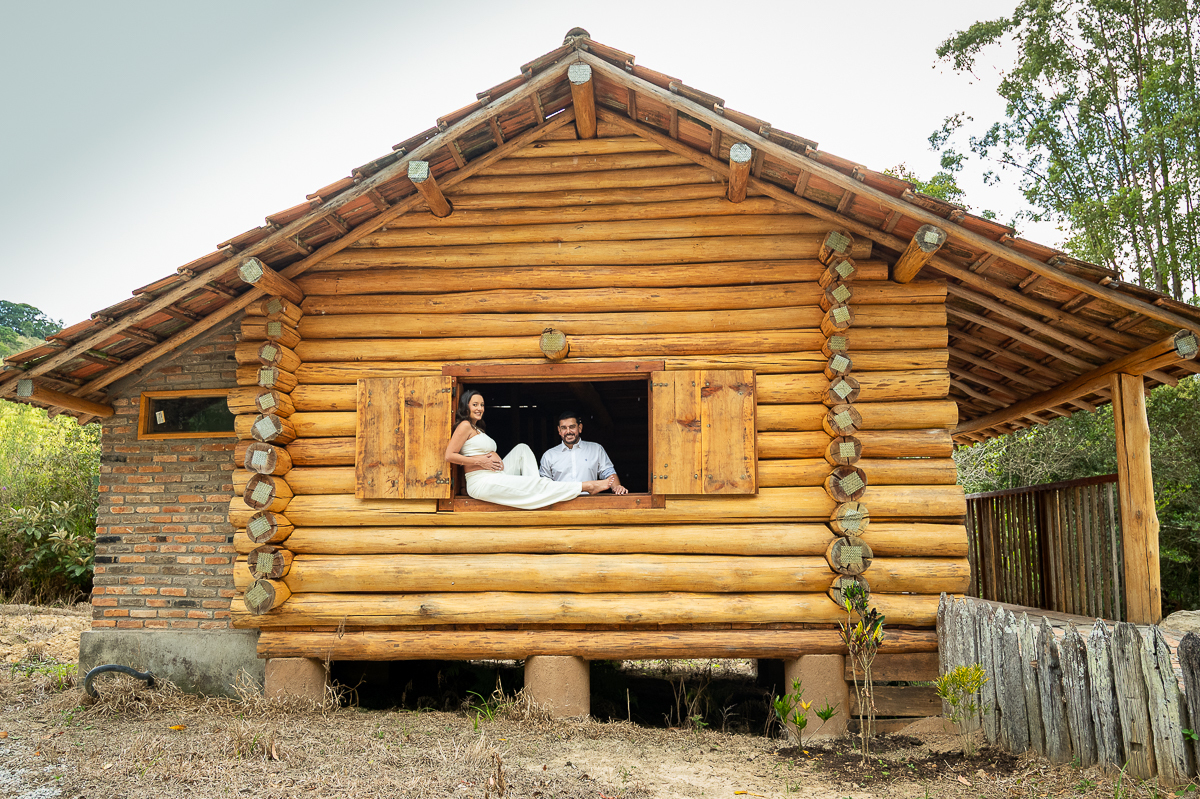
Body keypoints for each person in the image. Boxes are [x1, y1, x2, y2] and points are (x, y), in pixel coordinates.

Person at [444, 390, 615, 510]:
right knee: (537, 483)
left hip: (495, 474)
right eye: (475, 404)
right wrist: (480, 461)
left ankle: (537, 488)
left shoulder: (478, 428)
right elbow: (449, 455)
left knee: (522, 449)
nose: (480, 408)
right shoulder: (464, 425)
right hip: (482, 480)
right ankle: (586, 486)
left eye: (482, 405)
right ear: (466, 406)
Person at [539, 410, 628, 495]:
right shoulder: (549, 455)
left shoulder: (596, 449)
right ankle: (589, 487)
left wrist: (617, 487)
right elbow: (543, 484)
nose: (568, 431)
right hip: (560, 503)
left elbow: (608, 472)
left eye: (572, 427)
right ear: (559, 430)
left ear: (580, 428)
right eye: (564, 428)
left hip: (589, 503)